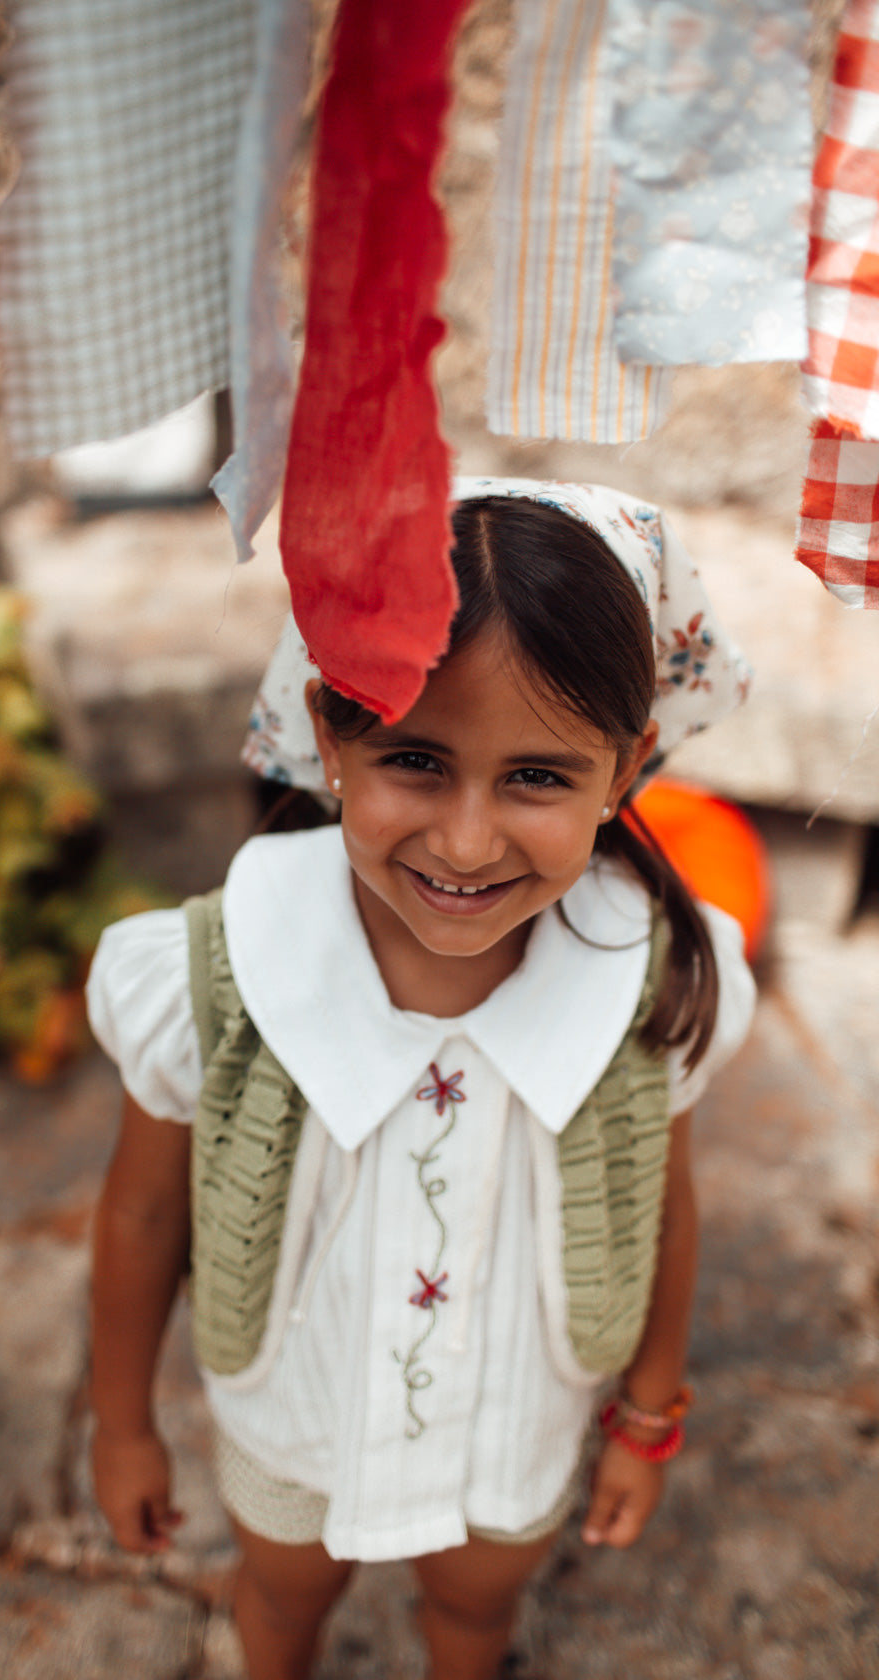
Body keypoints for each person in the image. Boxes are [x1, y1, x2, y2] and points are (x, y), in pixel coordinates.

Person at [87, 479, 756, 1680]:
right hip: (293, 1415)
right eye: (414, 760)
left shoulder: (649, 979)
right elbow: (141, 1212)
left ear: (623, 768)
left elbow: (666, 1205)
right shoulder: (216, 971)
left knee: (473, 1614)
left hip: (516, 1424)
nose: (464, 842)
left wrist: (647, 1415)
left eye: (537, 777)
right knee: (279, 1599)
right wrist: (122, 1423)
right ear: (330, 736)